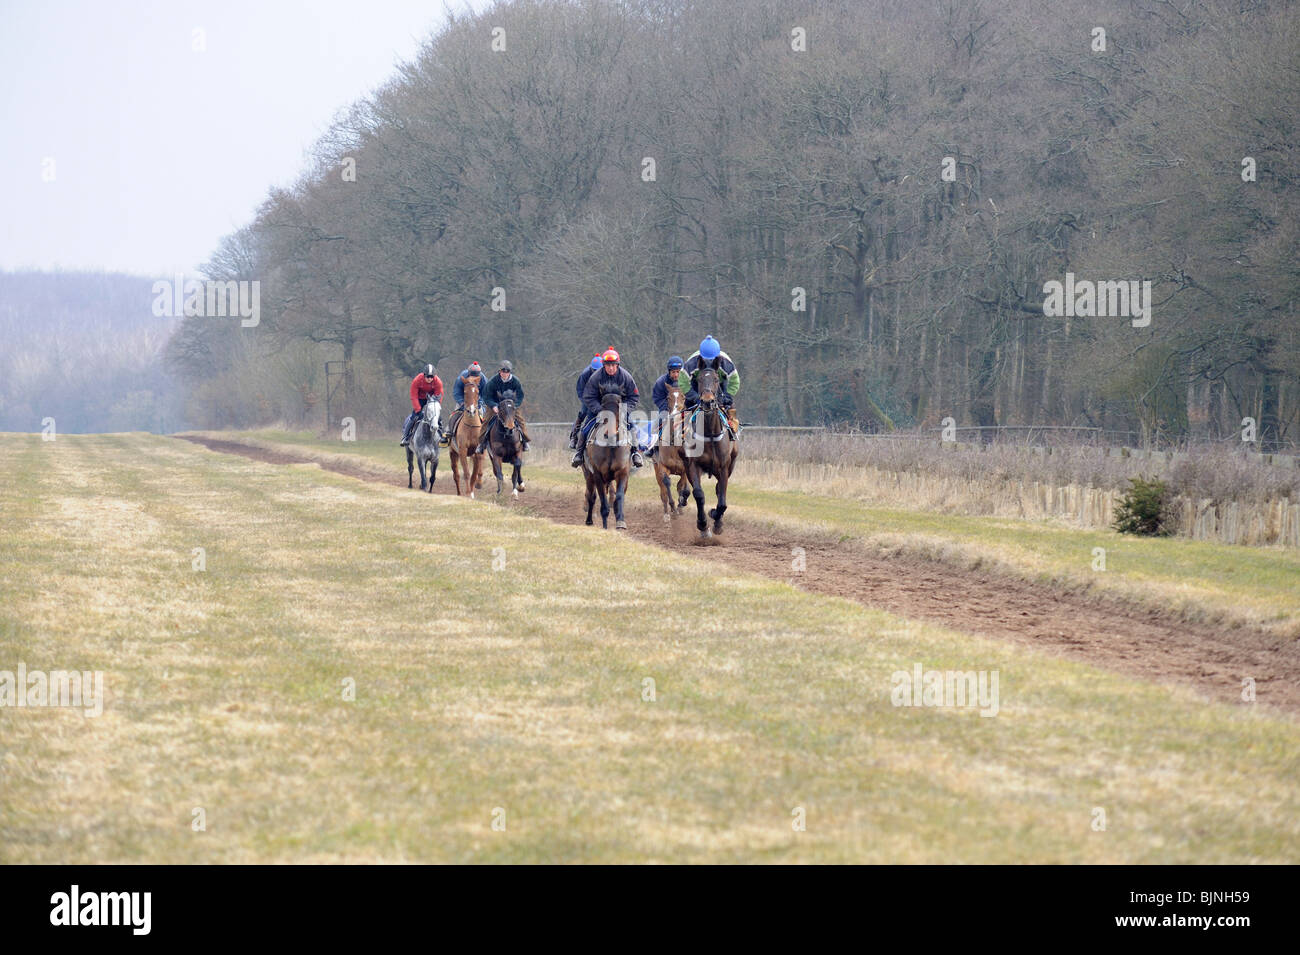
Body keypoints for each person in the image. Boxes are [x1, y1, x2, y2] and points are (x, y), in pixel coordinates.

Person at [573, 348, 643, 469]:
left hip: (619, 409)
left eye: (613, 365)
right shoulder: (595, 377)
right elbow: (588, 396)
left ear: (617, 365)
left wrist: (623, 410)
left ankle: (635, 453)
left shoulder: (626, 377)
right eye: (608, 365)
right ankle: (579, 454)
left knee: (632, 427)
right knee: (585, 428)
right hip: (600, 409)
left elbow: (634, 396)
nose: (610, 368)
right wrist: (599, 410)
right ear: (604, 366)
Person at [682, 334, 740, 433]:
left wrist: (726, 397)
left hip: (719, 383)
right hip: (698, 383)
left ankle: (733, 427)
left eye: (712, 358)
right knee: (688, 404)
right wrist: (694, 397)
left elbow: (734, 382)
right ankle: (683, 429)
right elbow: (683, 382)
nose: (709, 361)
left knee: (729, 404)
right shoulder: (691, 362)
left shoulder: (726, 363)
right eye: (706, 358)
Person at [476, 360, 532, 453]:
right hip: (495, 404)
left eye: (507, 371)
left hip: (511, 405)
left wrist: (516, 405)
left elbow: (520, 395)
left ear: (510, 372)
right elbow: (486, 396)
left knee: (520, 419)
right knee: (486, 420)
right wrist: (493, 405)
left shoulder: (515, 381)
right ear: (499, 371)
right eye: (503, 371)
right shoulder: (493, 381)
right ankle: (481, 443)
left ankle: (525, 440)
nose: (505, 373)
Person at [399, 364, 444, 447]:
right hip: (419, 398)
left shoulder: (438, 382)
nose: (430, 379)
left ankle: (442, 436)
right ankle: (405, 437)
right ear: (424, 375)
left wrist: (435, 407)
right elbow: (413, 395)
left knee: (437, 416)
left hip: (432, 399)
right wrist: (418, 409)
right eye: (428, 377)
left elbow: (439, 395)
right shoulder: (417, 380)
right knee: (415, 416)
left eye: (431, 377)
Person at [648, 355, 685, 456]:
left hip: (684, 410)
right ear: (669, 372)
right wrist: (668, 408)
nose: (676, 375)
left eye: (678, 372)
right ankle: (653, 447)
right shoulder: (661, 382)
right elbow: (657, 398)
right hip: (667, 409)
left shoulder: (687, 382)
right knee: (655, 425)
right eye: (673, 372)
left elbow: (691, 396)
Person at [569, 355, 603, 449]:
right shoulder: (585, 375)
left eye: (598, 371)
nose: (596, 373)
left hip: (603, 397)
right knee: (583, 413)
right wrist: (588, 403)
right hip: (588, 398)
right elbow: (580, 390)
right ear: (591, 369)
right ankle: (574, 436)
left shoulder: (606, 373)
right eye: (594, 371)